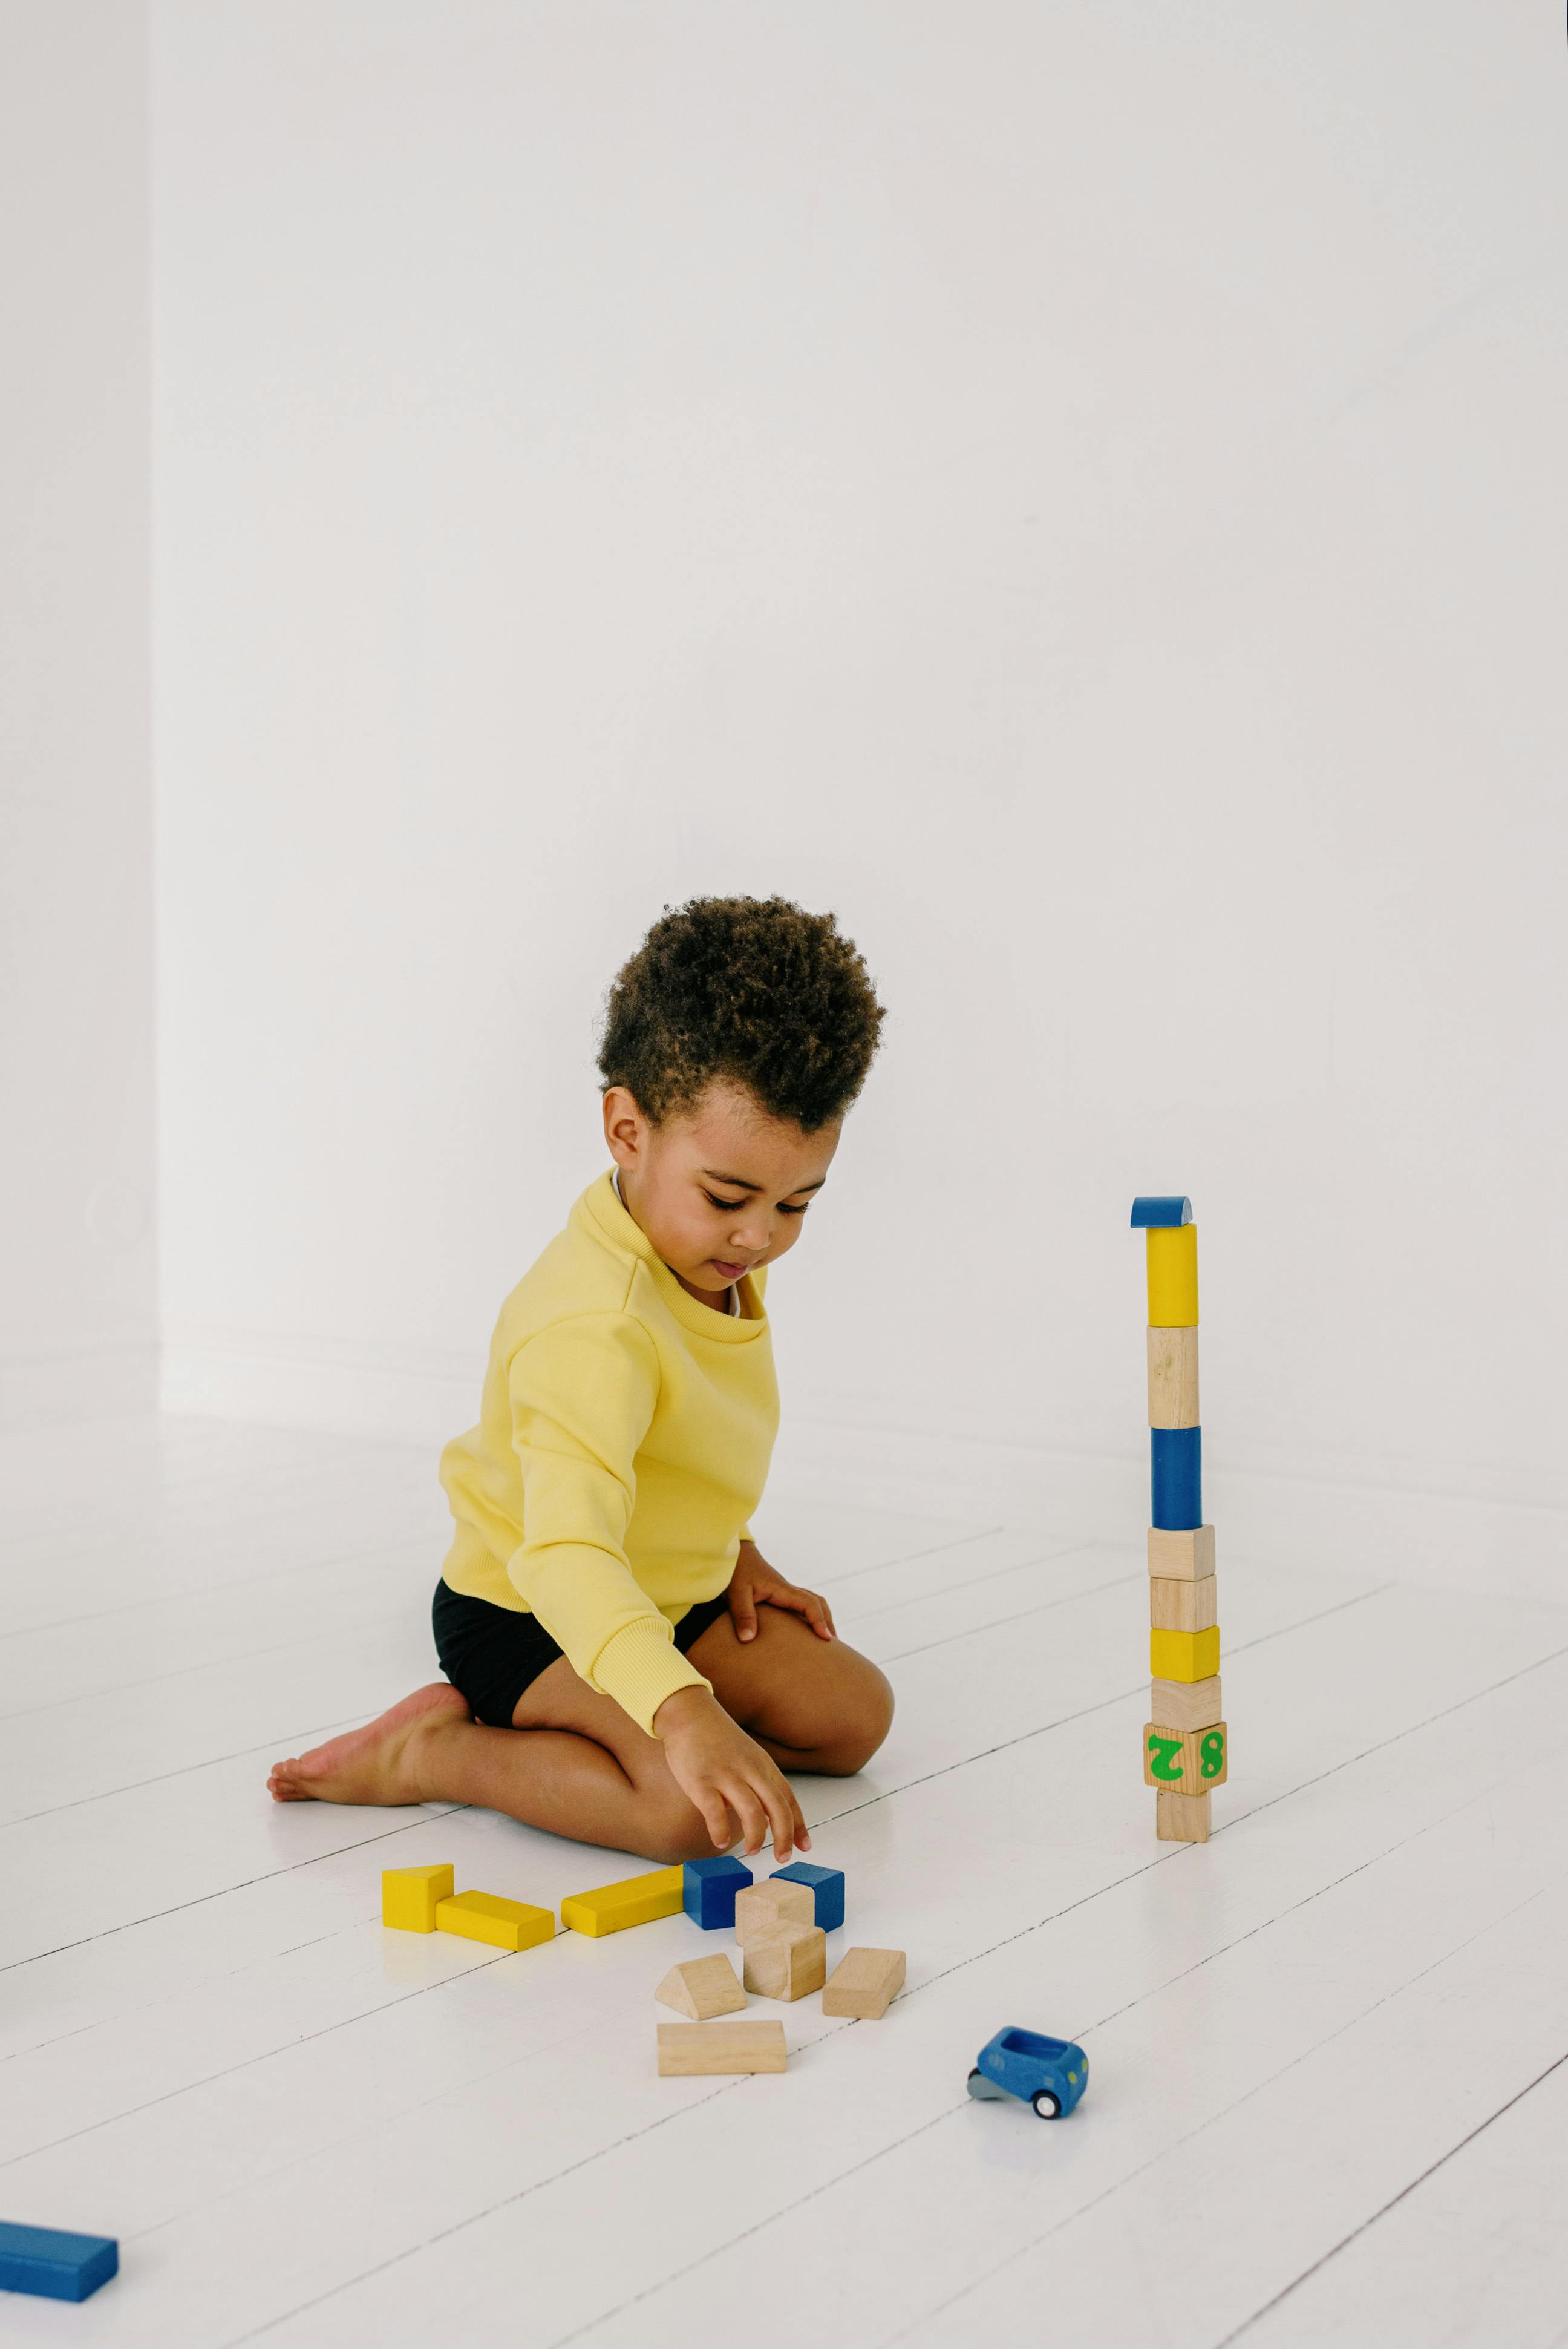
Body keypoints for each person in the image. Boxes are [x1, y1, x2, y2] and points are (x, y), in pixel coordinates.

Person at [268, 895, 895, 1863]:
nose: (760, 1236)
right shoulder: (594, 1325)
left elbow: (679, 1443)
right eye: (729, 1197)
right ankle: (435, 1753)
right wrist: (684, 1713)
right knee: (686, 1815)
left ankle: (639, 1698)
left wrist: (736, 1552)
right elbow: (565, 1556)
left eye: (797, 1202)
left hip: (658, 1588)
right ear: (627, 1129)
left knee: (855, 1717)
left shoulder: (710, 1251)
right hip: (531, 1609)